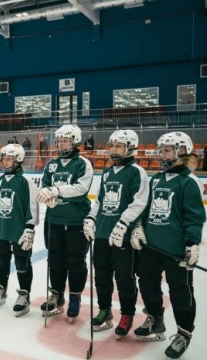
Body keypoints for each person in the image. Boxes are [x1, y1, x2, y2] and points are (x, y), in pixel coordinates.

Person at [130, 132, 205, 359]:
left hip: (176, 251)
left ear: (182, 150)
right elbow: (146, 208)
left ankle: (184, 332)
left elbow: (194, 217)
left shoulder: (189, 182)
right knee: (147, 284)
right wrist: (139, 227)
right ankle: (156, 319)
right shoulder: (157, 179)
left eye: (167, 150)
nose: (162, 154)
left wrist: (192, 244)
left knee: (181, 293)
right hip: (152, 248)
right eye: (161, 150)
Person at [83, 130, 148, 339]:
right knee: (101, 276)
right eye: (112, 145)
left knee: (124, 279)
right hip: (102, 234)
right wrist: (91, 218)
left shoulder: (137, 172)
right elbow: (100, 202)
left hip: (123, 236)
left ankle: (127, 314)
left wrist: (123, 224)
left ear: (130, 147)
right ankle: (105, 309)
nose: (113, 149)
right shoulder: (108, 172)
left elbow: (139, 203)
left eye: (118, 146)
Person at [36, 124, 93, 322]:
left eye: (65, 140)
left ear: (76, 141)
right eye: (59, 140)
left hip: (76, 221)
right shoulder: (52, 164)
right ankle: (57, 296)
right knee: (55, 261)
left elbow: (81, 189)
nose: (61, 144)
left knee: (75, 262)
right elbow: (44, 185)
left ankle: (75, 297)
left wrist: (57, 191)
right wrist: (45, 195)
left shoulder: (83, 164)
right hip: (54, 221)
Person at [0, 144, 39, 316]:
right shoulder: (0, 181)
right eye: (3, 158)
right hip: (2, 228)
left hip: (19, 230)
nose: (5, 162)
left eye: (9, 159)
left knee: (21, 262)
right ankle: (1, 289)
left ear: (18, 160)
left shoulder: (26, 181)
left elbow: (32, 206)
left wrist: (30, 228)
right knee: (1, 259)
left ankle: (24, 295)